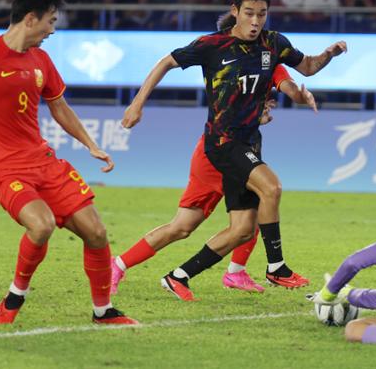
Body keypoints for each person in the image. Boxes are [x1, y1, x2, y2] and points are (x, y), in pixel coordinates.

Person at [121, 0, 347, 300]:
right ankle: (276, 267)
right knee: (272, 187)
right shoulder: (213, 45)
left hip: (250, 142)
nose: (256, 22)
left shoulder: (273, 44)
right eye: (250, 13)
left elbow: (307, 68)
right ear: (235, 12)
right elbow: (166, 62)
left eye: (262, 14)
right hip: (222, 143)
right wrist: (137, 102)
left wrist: (329, 55)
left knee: (242, 229)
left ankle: (179, 275)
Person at [0, 0, 136, 325]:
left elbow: (60, 107)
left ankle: (103, 311)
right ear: (30, 18)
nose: (53, 29)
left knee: (96, 232)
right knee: (42, 225)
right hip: (4, 167)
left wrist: (90, 144)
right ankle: (14, 297)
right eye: (50, 21)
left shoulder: (41, 60)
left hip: (43, 161)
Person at [111, 63, 318, 296]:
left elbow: (293, 81)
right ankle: (238, 271)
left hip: (238, 146)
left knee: (184, 226)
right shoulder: (230, 61)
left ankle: (119, 264)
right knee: (254, 206)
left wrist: (297, 95)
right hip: (217, 154)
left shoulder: (270, 61)